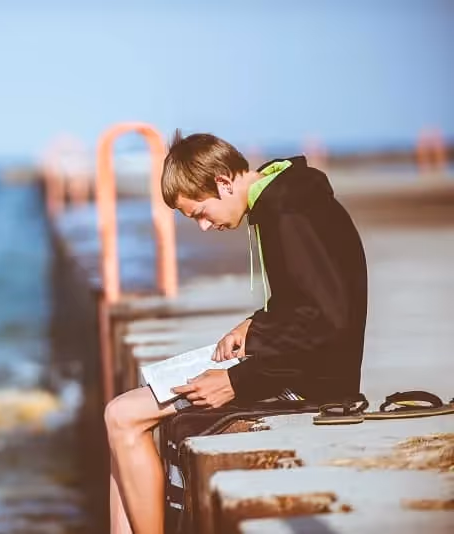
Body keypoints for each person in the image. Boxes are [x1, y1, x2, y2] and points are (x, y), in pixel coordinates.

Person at [104, 131, 368, 534]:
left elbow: (330, 320)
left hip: (312, 385)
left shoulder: (289, 213)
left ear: (224, 182)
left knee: (123, 417)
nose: (205, 227)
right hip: (291, 368)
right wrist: (255, 324)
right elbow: (308, 301)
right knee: (121, 419)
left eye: (200, 213)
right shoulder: (283, 201)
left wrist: (235, 380)